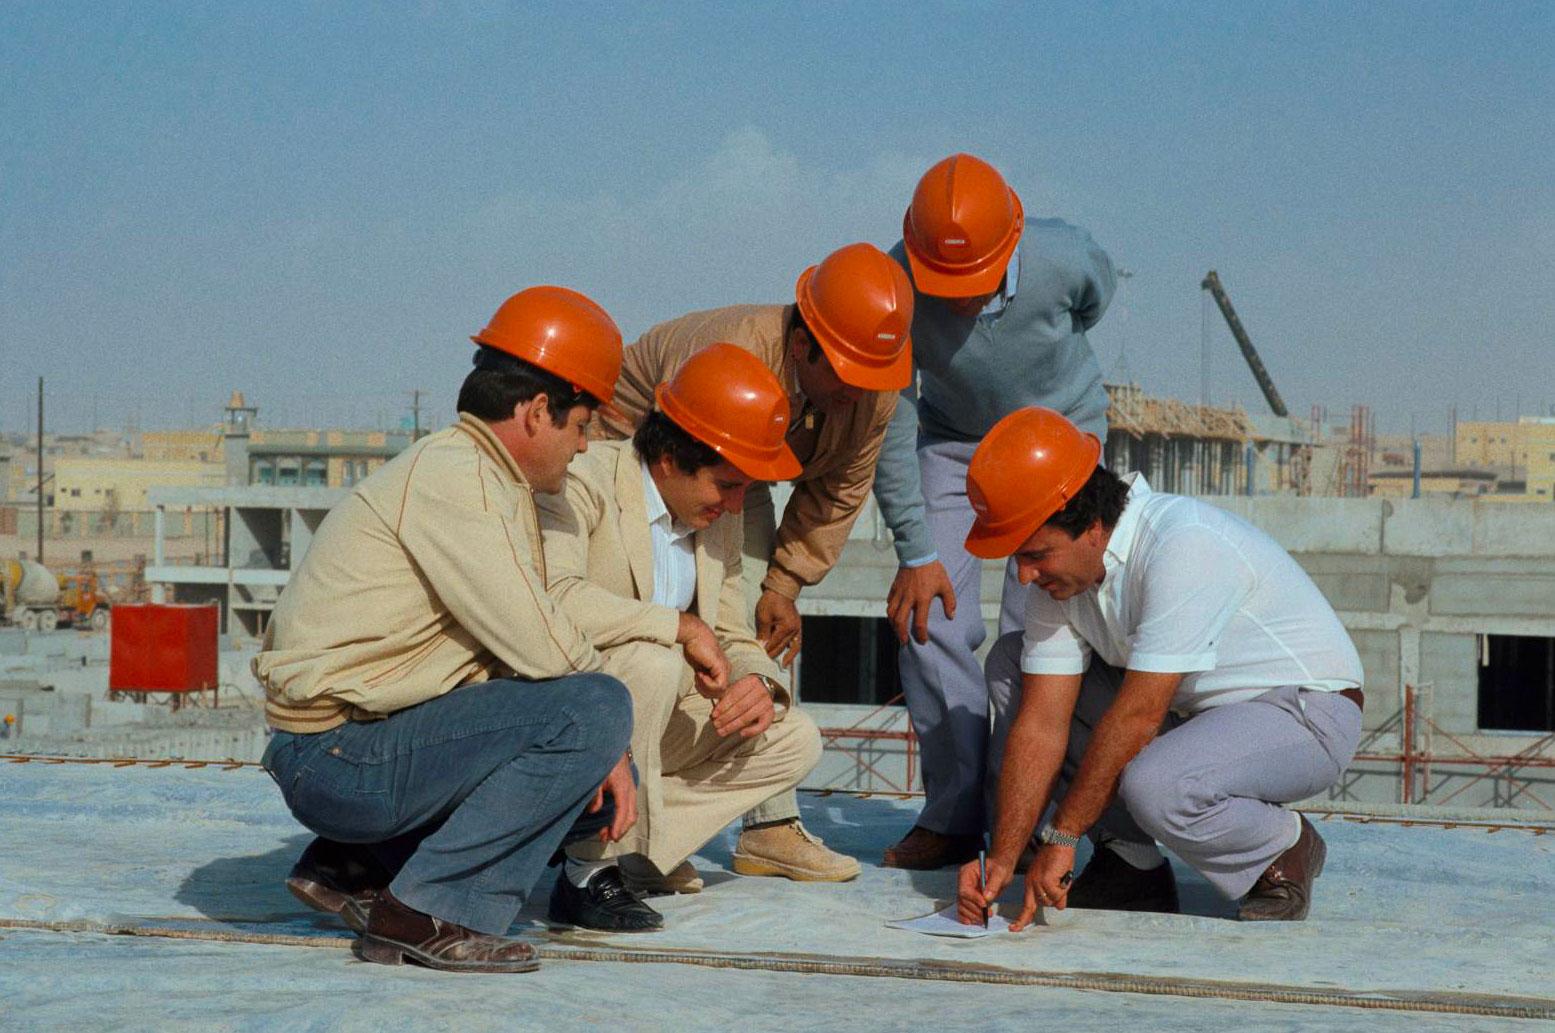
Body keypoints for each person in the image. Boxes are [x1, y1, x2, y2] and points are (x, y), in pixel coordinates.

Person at [254, 286, 637, 973]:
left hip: (351, 745)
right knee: (597, 707)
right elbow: (541, 643)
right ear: (535, 410)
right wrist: (615, 748)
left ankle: (360, 864)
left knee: (576, 795)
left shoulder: (476, 471)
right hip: (336, 757)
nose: (582, 448)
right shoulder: (458, 478)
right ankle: (430, 909)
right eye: (580, 426)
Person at [954, 407, 1364, 928]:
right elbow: (1040, 724)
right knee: (1012, 665)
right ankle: (1132, 864)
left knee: (1159, 784)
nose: (1025, 573)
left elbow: (1138, 717)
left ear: (1092, 527)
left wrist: (1062, 837)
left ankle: (1282, 846)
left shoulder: (1180, 545)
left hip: (1305, 712)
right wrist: (1006, 860)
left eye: (1037, 554)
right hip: (1197, 716)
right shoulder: (1062, 580)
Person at [593, 242, 914, 882]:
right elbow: (689, 461)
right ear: (801, 348)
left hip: (743, 471)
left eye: (870, 379)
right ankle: (623, 825)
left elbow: (841, 487)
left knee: (751, 638)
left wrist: (786, 584)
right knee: (675, 626)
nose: (859, 394)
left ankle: (761, 827)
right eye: (846, 377)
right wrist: (702, 615)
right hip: (651, 444)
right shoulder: (731, 357)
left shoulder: (872, 390)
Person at [872, 152, 1119, 869]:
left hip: (1058, 440)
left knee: (1033, 633)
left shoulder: (1063, 254)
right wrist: (914, 551)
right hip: (954, 445)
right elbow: (894, 417)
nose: (960, 301)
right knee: (925, 620)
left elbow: (1092, 302)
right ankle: (952, 814)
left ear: (1010, 242)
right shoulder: (896, 284)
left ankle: (1029, 815)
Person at [538, 345, 834, 928]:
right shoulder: (585, 481)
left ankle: (633, 847)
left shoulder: (714, 516)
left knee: (795, 737)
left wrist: (760, 683)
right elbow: (556, 600)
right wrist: (678, 627)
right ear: (670, 459)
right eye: (726, 485)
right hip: (571, 717)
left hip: (654, 726)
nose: (735, 504)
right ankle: (588, 871)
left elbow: (730, 631)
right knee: (650, 662)